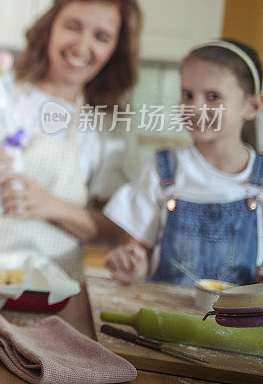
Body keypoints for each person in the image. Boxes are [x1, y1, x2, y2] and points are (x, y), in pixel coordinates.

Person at [0, 0, 142, 280]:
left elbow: (111, 229)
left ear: (115, 50)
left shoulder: (107, 128)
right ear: (50, 27)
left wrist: (50, 206)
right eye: (73, 26)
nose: (82, 45)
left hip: (48, 290)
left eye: (101, 36)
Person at [103, 39, 263, 286]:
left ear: (252, 106)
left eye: (213, 97)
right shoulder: (162, 169)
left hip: (238, 324)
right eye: (187, 94)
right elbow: (137, 256)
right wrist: (132, 267)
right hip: (162, 317)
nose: (195, 108)